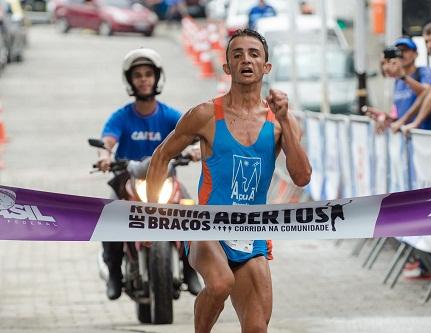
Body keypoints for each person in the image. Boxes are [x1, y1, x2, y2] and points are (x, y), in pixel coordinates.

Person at [146, 29, 311, 333]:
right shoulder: (206, 114)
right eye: (237, 54)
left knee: (257, 328)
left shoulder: (281, 122)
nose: (245, 59)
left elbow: (301, 177)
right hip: (207, 227)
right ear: (227, 67)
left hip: (252, 231)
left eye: (253, 54)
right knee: (221, 283)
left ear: (266, 67)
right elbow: (160, 156)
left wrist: (286, 119)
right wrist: (152, 213)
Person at [96, 48, 201, 300]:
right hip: (127, 180)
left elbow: (193, 132)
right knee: (109, 217)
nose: (144, 79)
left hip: (166, 178)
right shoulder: (121, 117)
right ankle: (113, 272)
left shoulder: (170, 115)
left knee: (190, 211)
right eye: (138, 75)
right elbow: (107, 141)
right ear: (130, 81)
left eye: (148, 74)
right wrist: (104, 157)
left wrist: (197, 148)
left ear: (156, 78)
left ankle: (190, 271)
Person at [364, 36, 431, 133]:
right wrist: (385, 117)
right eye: (398, 51)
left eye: (405, 50)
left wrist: (403, 77)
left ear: (415, 54)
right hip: (406, 136)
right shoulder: (398, 80)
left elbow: (426, 92)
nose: (401, 54)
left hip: (425, 135)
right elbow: (397, 116)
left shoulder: (424, 71)